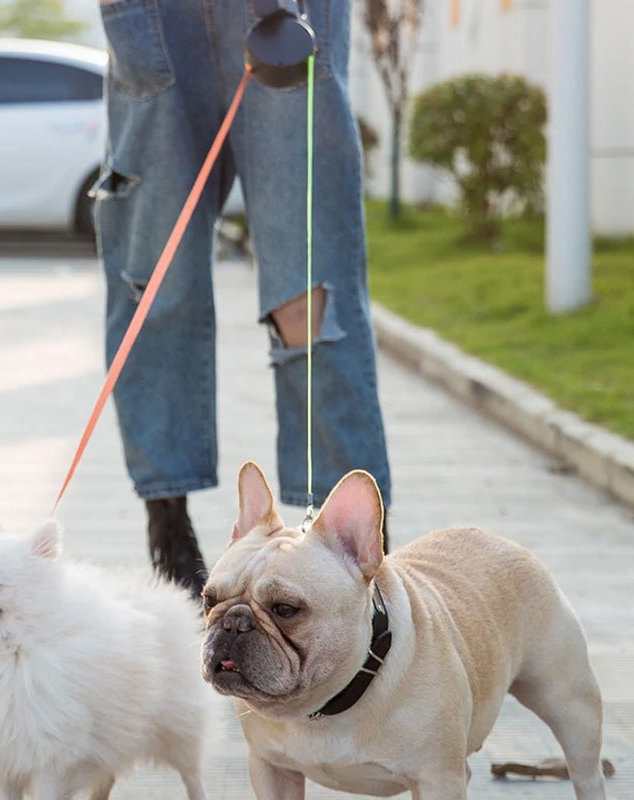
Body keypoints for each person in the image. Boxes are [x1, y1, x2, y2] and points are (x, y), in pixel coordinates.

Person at [95, 0, 391, 599]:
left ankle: (350, 544)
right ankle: (168, 530)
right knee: (154, 284)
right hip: (156, 19)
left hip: (284, 12)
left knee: (310, 297)